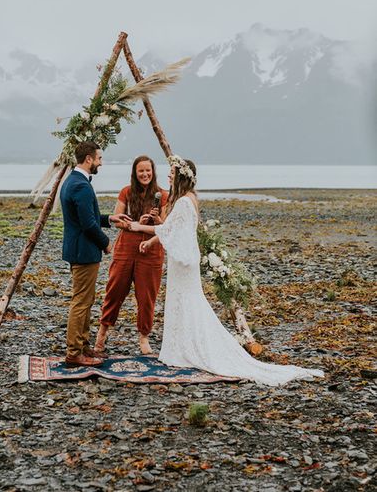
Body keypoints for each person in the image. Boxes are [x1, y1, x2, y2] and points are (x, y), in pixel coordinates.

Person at [129, 156, 324, 386]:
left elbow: (168, 228)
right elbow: (176, 231)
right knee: (188, 301)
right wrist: (151, 242)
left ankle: (185, 350)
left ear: (181, 176)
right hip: (186, 260)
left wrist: (135, 226)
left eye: (172, 173)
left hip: (183, 263)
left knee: (186, 302)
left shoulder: (182, 202)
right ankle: (181, 346)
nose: (169, 176)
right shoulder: (190, 198)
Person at [60, 141, 131, 367]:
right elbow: (87, 224)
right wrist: (106, 243)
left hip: (79, 249)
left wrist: (110, 219)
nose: (101, 162)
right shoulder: (80, 185)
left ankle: (82, 345)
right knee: (81, 301)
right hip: (83, 251)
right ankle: (73, 352)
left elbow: (90, 216)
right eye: (99, 158)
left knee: (86, 299)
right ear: (89, 159)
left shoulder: (73, 180)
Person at [94, 155, 169, 355]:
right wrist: (134, 223)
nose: (145, 174)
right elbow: (117, 220)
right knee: (115, 290)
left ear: (153, 172)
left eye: (148, 170)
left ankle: (144, 336)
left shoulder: (162, 195)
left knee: (147, 296)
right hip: (126, 247)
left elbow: (167, 226)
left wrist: (156, 218)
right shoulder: (126, 192)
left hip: (151, 250)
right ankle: (102, 331)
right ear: (135, 174)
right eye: (141, 171)